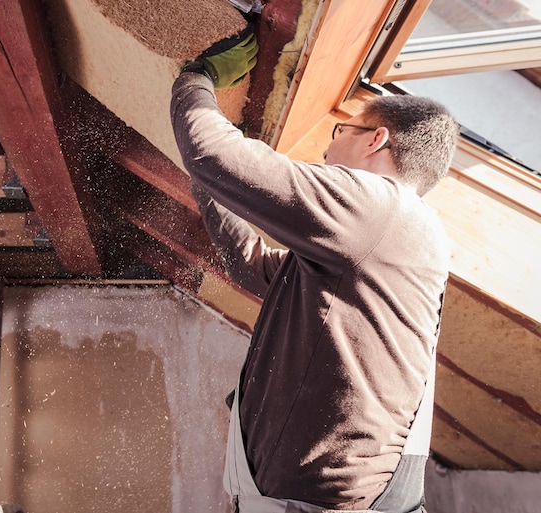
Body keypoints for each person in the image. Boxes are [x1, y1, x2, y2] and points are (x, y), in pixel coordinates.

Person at [171, 32, 459, 513]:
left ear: (376, 138)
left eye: (339, 132)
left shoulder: (378, 207)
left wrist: (195, 80)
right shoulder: (388, 239)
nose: (327, 152)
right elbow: (256, 268)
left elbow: (213, 154)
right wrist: (212, 186)